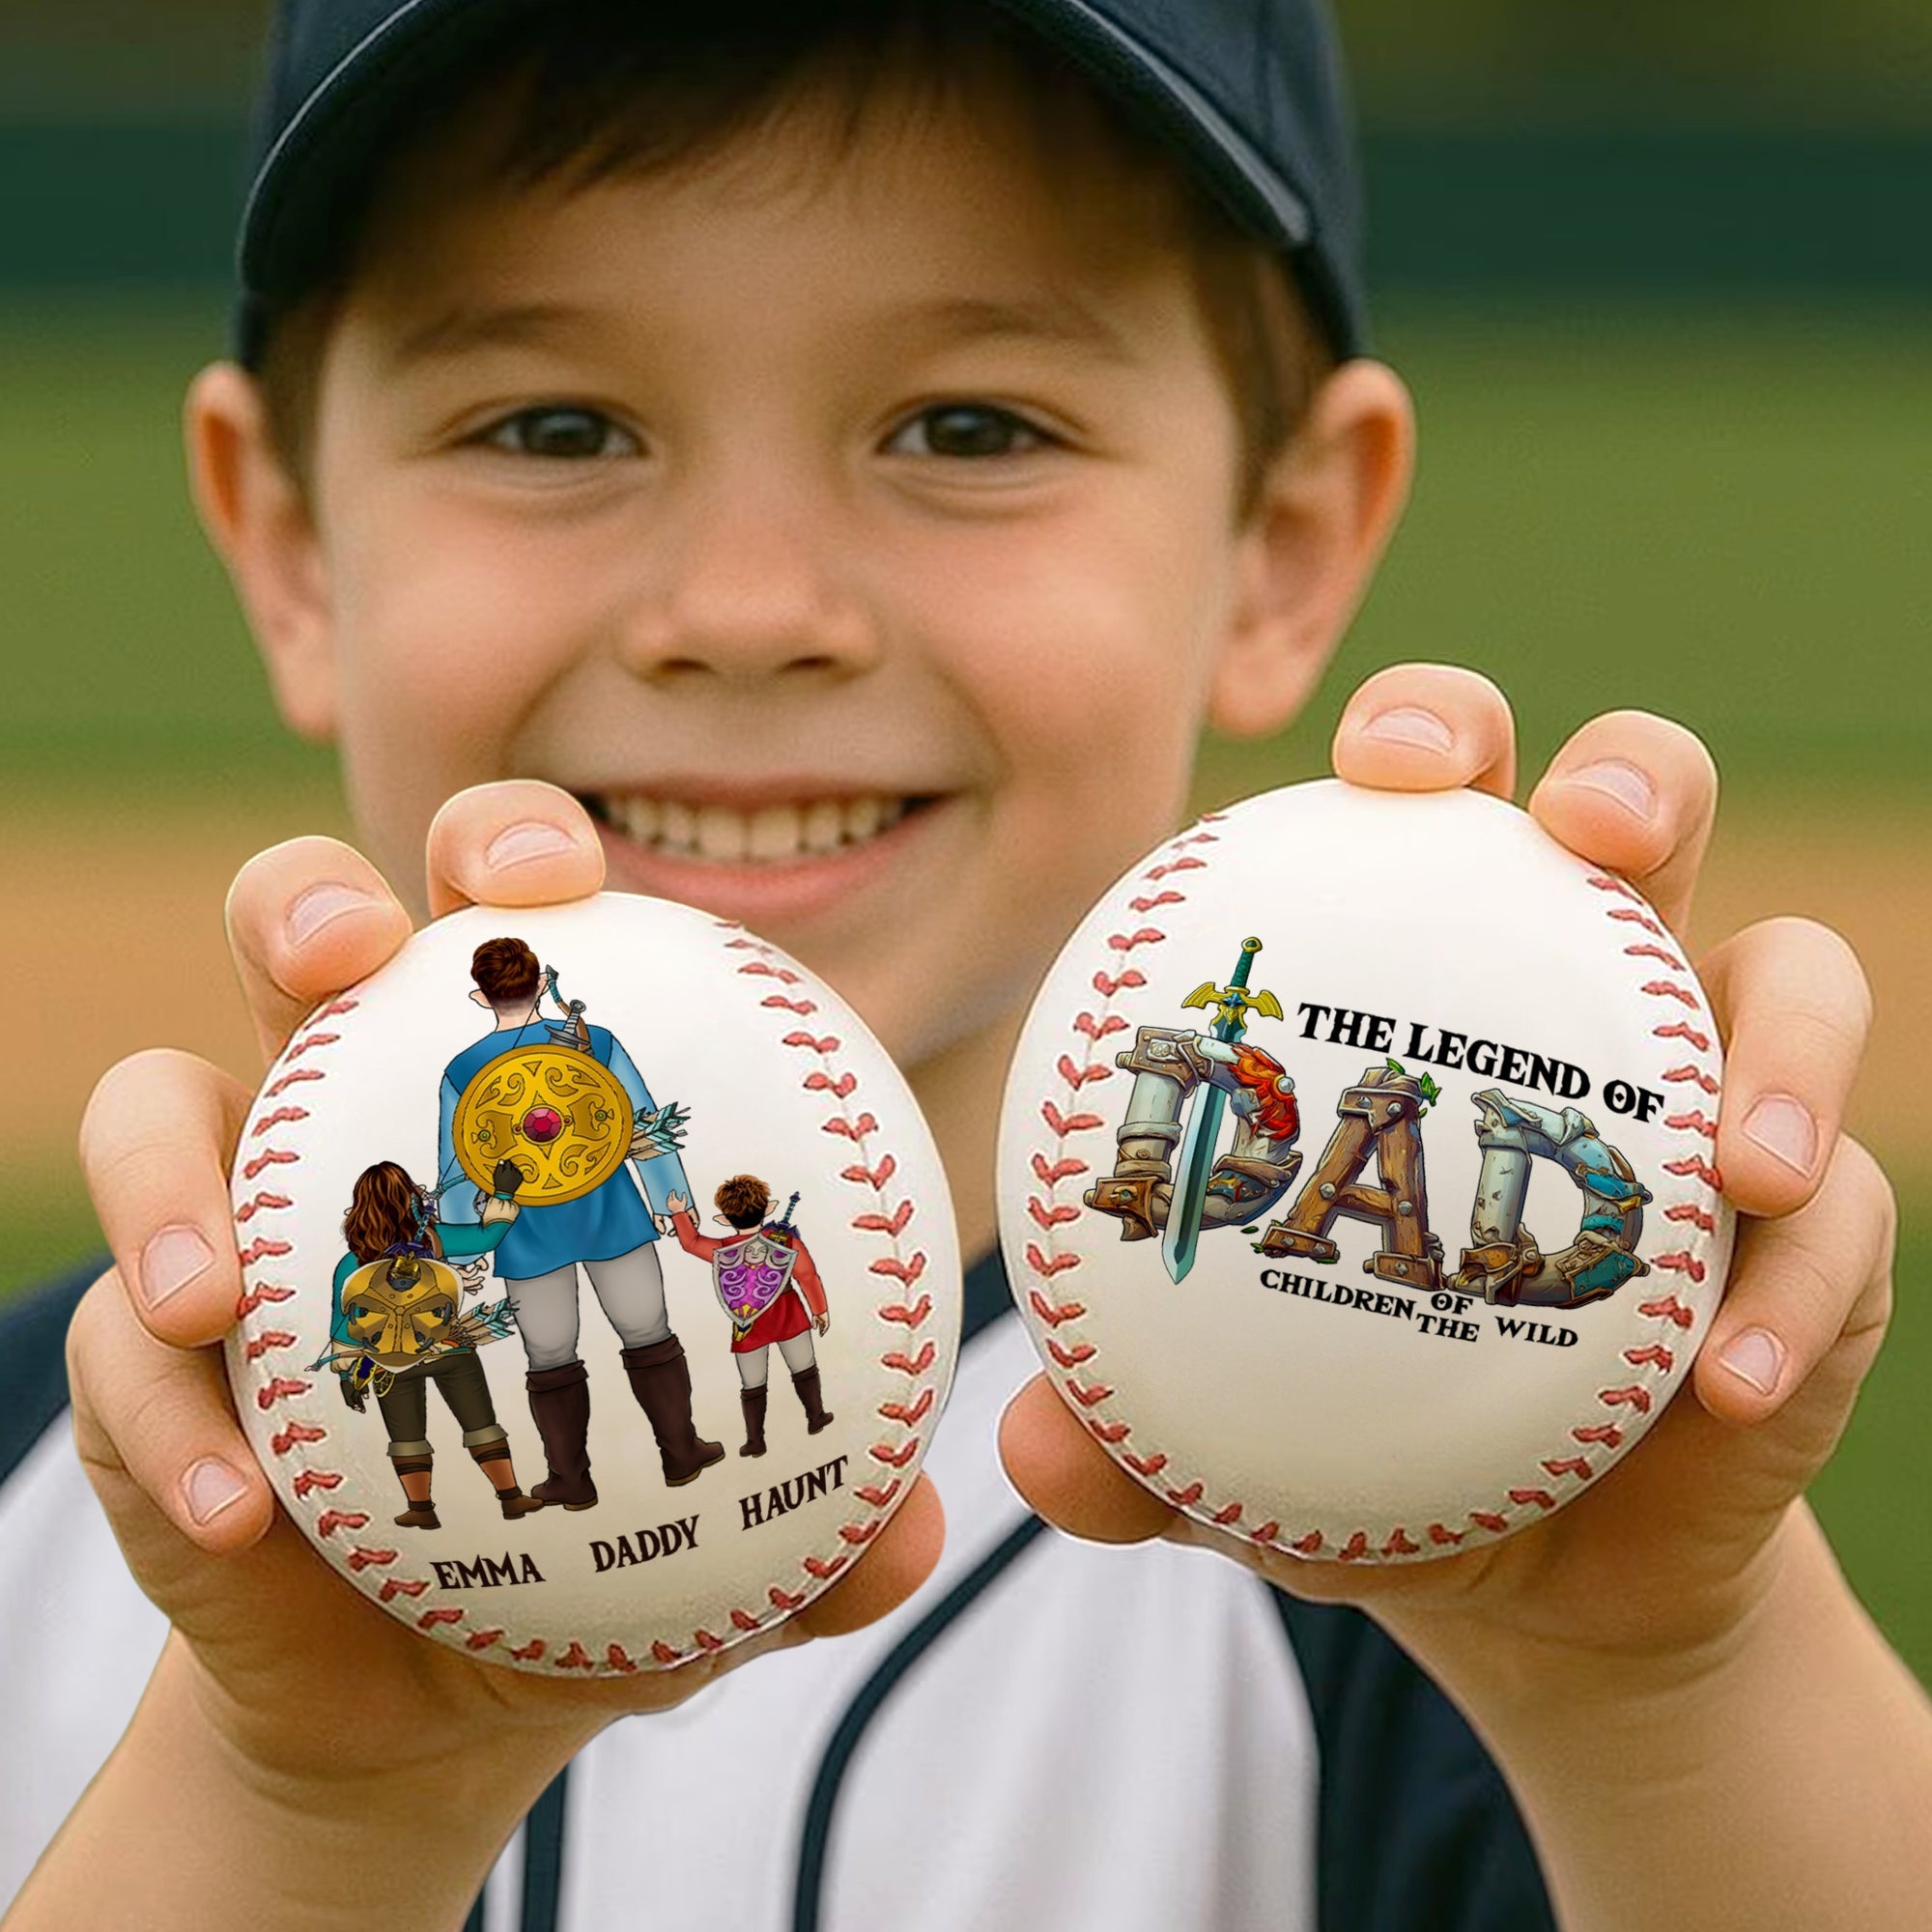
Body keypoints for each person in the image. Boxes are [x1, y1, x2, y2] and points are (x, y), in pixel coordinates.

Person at [3, 2, 1925, 1928]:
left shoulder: (1418, 1505)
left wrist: (1660, 1679)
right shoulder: (91, 1489)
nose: (750, 611)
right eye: (552, 427)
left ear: (1281, 541)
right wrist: (306, 1793)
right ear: (290, 546)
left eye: (969, 427)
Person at [440, 936, 725, 1504]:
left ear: (480, 996)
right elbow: (643, 1124)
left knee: (549, 1355)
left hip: (523, 1226)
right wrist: (674, 1200)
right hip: (610, 1210)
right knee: (647, 1332)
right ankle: (681, 1452)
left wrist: (464, 1250)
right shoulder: (595, 1043)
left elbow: (458, 1165)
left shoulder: (461, 1070)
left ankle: (571, 1481)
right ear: (542, 983)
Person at [328, 1158, 547, 1527]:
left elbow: (344, 1321)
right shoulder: (433, 1238)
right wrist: (505, 1192)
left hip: (389, 1361)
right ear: (410, 1198)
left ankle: (421, 1509)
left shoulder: (353, 1263)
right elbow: (488, 1235)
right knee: (481, 1425)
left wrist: (347, 1374)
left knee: (407, 1436)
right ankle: (511, 1497)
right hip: (449, 1347)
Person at [666, 1179, 835, 1456]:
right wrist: (820, 1309)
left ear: (722, 1218)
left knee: (753, 1383)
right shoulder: (786, 1242)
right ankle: (816, 1417)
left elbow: (691, 1242)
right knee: (803, 1367)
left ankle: (755, 1441)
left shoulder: (722, 1248)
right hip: (787, 1312)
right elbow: (808, 1276)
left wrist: (678, 1212)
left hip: (748, 1321)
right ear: (769, 1208)